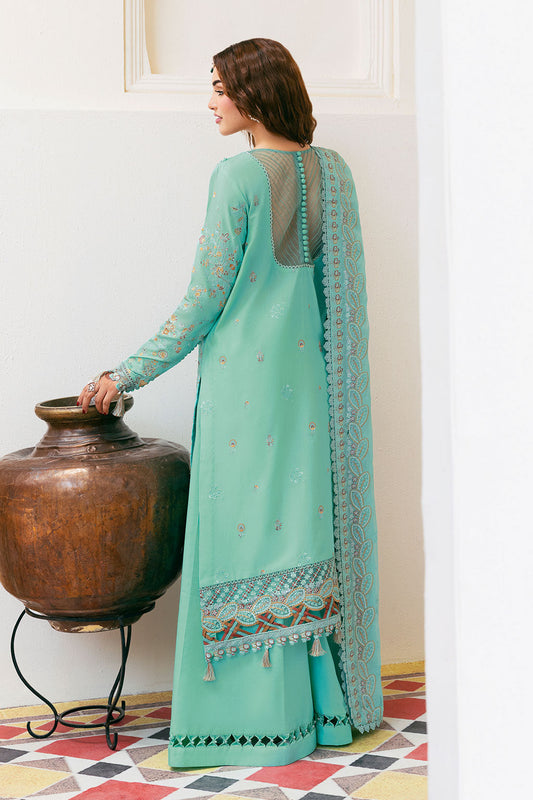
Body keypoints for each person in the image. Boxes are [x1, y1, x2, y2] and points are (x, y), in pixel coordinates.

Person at [78, 38, 382, 768]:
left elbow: (203, 302)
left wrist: (127, 373)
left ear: (253, 92)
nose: (210, 101)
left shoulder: (236, 177)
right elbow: (336, 299)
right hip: (310, 388)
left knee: (238, 541)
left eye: (219, 87)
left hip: (244, 393)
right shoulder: (333, 173)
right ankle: (316, 715)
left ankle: (241, 722)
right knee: (297, 534)